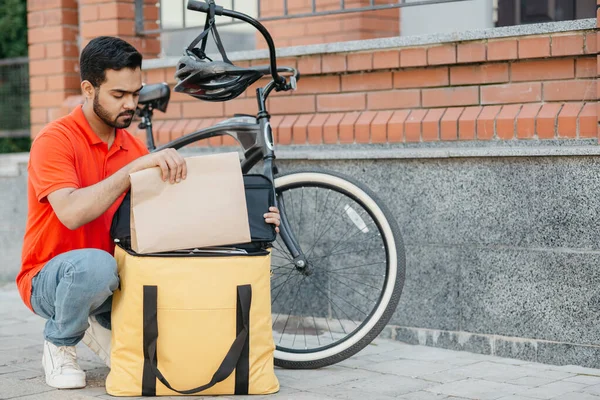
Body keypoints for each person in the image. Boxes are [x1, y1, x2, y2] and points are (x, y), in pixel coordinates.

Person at [16, 36, 281, 390]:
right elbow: (72, 213)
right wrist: (133, 170)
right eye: (119, 95)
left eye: (135, 93)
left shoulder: (132, 147)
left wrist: (251, 223)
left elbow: (174, 222)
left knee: (176, 349)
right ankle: (60, 344)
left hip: (116, 278)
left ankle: (95, 319)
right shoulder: (56, 140)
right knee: (95, 267)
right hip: (50, 277)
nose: (131, 104)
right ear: (88, 89)